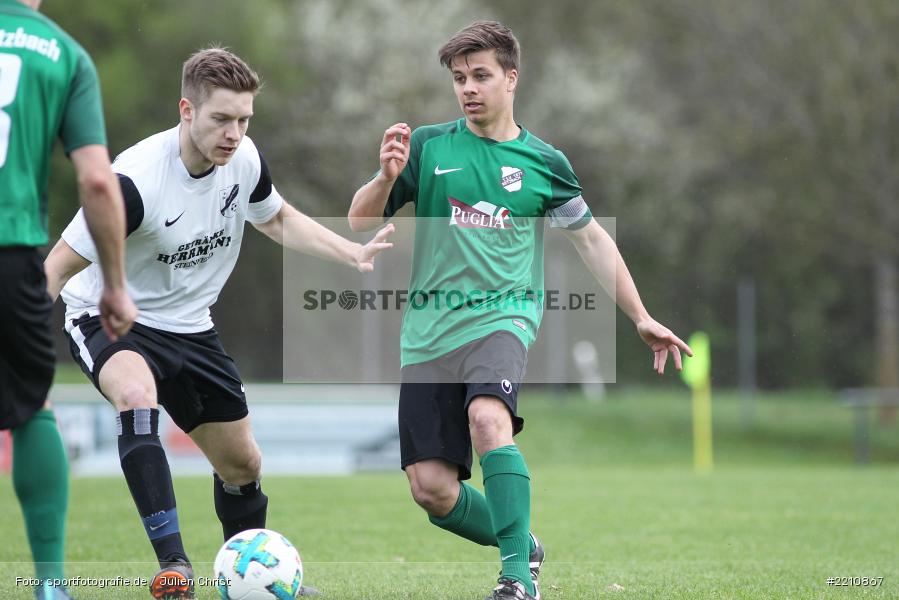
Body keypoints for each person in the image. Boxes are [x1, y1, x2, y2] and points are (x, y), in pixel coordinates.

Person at [348, 20, 693, 600]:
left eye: (480, 75)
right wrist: (384, 178)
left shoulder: (544, 162)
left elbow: (591, 240)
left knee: (489, 419)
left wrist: (639, 315)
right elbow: (358, 221)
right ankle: (523, 545)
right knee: (431, 490)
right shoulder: (430, 146)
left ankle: (515, 581)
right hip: (429, 332)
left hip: (503, 318)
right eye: (459, 79)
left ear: (512, 77)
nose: (468, 88)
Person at [44, 47, 393, 600]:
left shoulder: (245, 160)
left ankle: (254, 578)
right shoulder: (133, 182)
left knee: (244, 463)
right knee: (136, 396)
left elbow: (277, 219)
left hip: (192, 327)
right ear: (187, 109)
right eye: (221, 119)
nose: (234, 133)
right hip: (111, 319)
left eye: (244, 119)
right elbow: (55, 271)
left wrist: (351, 253)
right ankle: (173, 565)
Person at [0, 1, 137, 598]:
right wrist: (112, 282)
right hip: (11, 252)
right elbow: (98, 180)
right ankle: (51, 585)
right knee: (32, 406)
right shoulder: (62, 54)